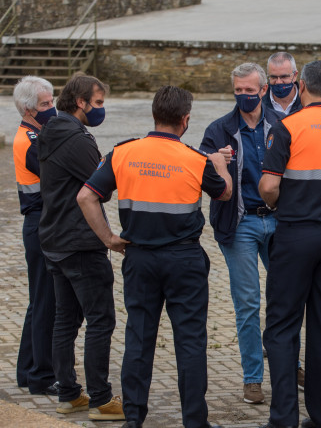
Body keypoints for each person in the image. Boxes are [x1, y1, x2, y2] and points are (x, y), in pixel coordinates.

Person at [77, 85, 232, 428]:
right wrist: (220, 164)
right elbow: (224, 193)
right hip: (184, 261)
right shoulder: (196, 159)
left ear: (154, 115)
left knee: (139, 338)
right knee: (190, 342)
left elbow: (86, 197)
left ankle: (134, 419)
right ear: (185, 119)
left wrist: (108, 239)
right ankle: (195, 421)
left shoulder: (123, 153)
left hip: (139, 259)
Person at [258, 60, 321, 428]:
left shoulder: (288, 127)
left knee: (282, 326)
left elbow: (269, 186)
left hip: (298, 233)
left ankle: (284, 417)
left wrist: (275, 203)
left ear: (301, 86)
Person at [36, 73, 124, 421]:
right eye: (98, 103)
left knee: (65, 320)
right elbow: (103, 183)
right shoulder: (76, 138)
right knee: (100, 320)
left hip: (55, 238)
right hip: (80, 243)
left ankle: (69, 393)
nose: (101, 109)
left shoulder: (50, 132)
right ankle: (101, 400)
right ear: (80, 103)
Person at [199, 62, 281, 405]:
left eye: (250, 90)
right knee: (247, 302)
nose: (244, 96)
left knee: (285, 300)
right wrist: (215, 163)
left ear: (264, 90)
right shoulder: (219, 130)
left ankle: (286, 364)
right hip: (240, 223)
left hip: (279, 221)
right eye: (238, 91)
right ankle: (253, 378)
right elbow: (204, 177)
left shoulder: (281, 125)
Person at [12, 76, 58, 396]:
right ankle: (41, 376)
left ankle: (26, 371)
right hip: (41, 222)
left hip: (38, 223)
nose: (52, 108)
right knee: (46, 302)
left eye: (52, 101)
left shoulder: (35, 133)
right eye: (45, 104)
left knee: (39, 301)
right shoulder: (31, 140)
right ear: (29, 110)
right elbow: (56, 172)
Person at [262, 52, 302, 117]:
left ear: (295, 75)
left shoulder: (307, 103)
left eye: (284, 77)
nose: (278, 82)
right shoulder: (259, 104)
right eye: (273, 77)